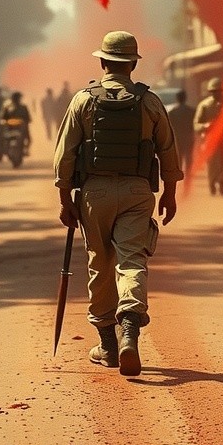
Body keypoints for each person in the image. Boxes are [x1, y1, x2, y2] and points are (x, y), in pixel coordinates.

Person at [54, 30, 183, 377]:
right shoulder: (150, 102)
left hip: (94, 194)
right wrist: (170, 193)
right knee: (131, 261)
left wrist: (65, 201)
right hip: (137, 193)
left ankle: (108, 346)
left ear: (103, 63)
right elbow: (168, 150)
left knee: (100, 264)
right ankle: (130, 329)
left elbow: (65, 156)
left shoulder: (83, 100)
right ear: (132, 65)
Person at [194, 77, 223, 195]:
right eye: (213, 91)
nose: (216, 94)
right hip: (211, 138)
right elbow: (196, 124)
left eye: (218, 91)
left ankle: (222, 184)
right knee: (212, 163)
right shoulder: (204, 105)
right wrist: (206, 126)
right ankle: (212, 183)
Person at [167, 89, 195, 179]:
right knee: (188, 159)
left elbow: (169, 127)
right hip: (188, 138)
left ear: (177, 98)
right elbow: (194, 125)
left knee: (179, 159)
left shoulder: (172, 112)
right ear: (185, 98)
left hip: (177, 139)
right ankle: (188, 179)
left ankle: (179, 177)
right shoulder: (191, 111)